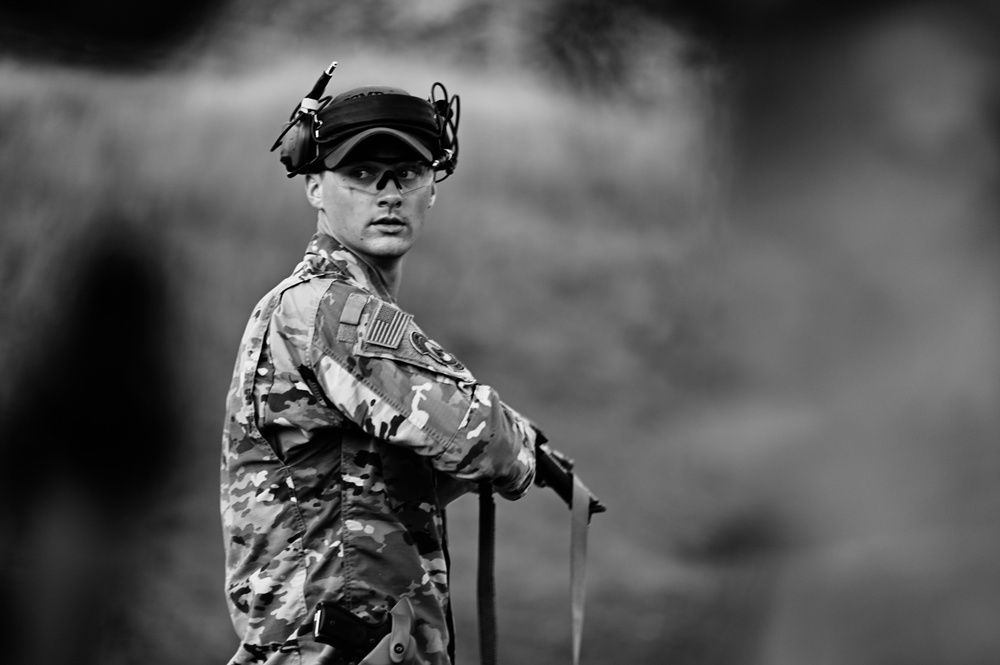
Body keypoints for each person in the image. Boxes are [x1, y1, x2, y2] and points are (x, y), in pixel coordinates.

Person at [220, 68, 539, 665]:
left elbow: (381, 482)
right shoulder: (329, 307)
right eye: (361, 174)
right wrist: (523, 450)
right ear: (315, 187)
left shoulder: (351, 308)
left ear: (433, 188)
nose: (388, 193)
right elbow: (478, 439)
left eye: (409, 173)